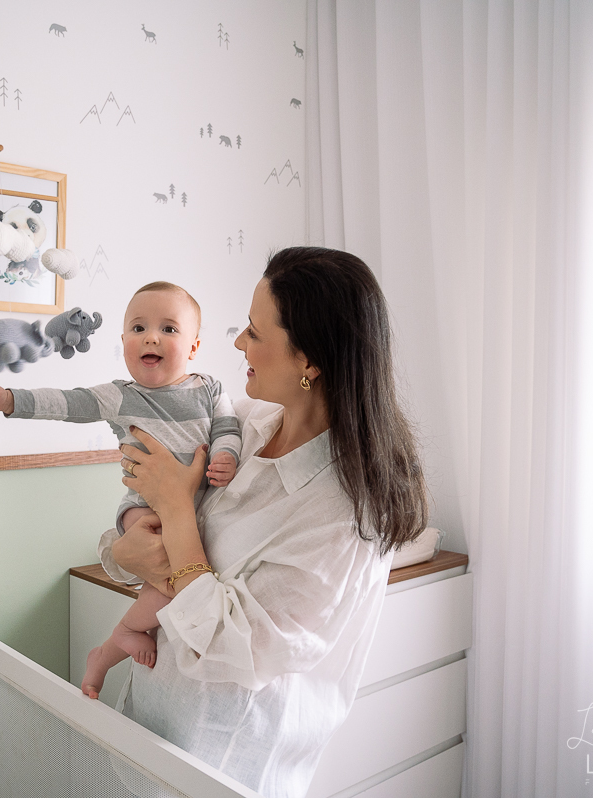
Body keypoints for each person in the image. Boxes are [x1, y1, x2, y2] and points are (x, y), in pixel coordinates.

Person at [106, 247, 429, 798]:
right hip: (149, 723)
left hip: (225, 759)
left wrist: (178, 510)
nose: (237, 344)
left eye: (254, 333)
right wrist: (121, 555)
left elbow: (233, 647)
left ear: (310, 361)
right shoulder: (245, 427)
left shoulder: (344, 516)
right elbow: (138, 536)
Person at [0, 281, 243, 699]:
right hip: (142, 509)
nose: (151, 336)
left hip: (193, 512)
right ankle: (123, 636)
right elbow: (67, 403)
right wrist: (7, 400)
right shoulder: (120, 396)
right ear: (124, 341)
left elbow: (228, 426)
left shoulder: (210, 389)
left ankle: (115, 643)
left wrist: (227, 455)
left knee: (175, 587)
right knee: (166, 566)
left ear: (194, 347)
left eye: (168, 329)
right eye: (139, 327)